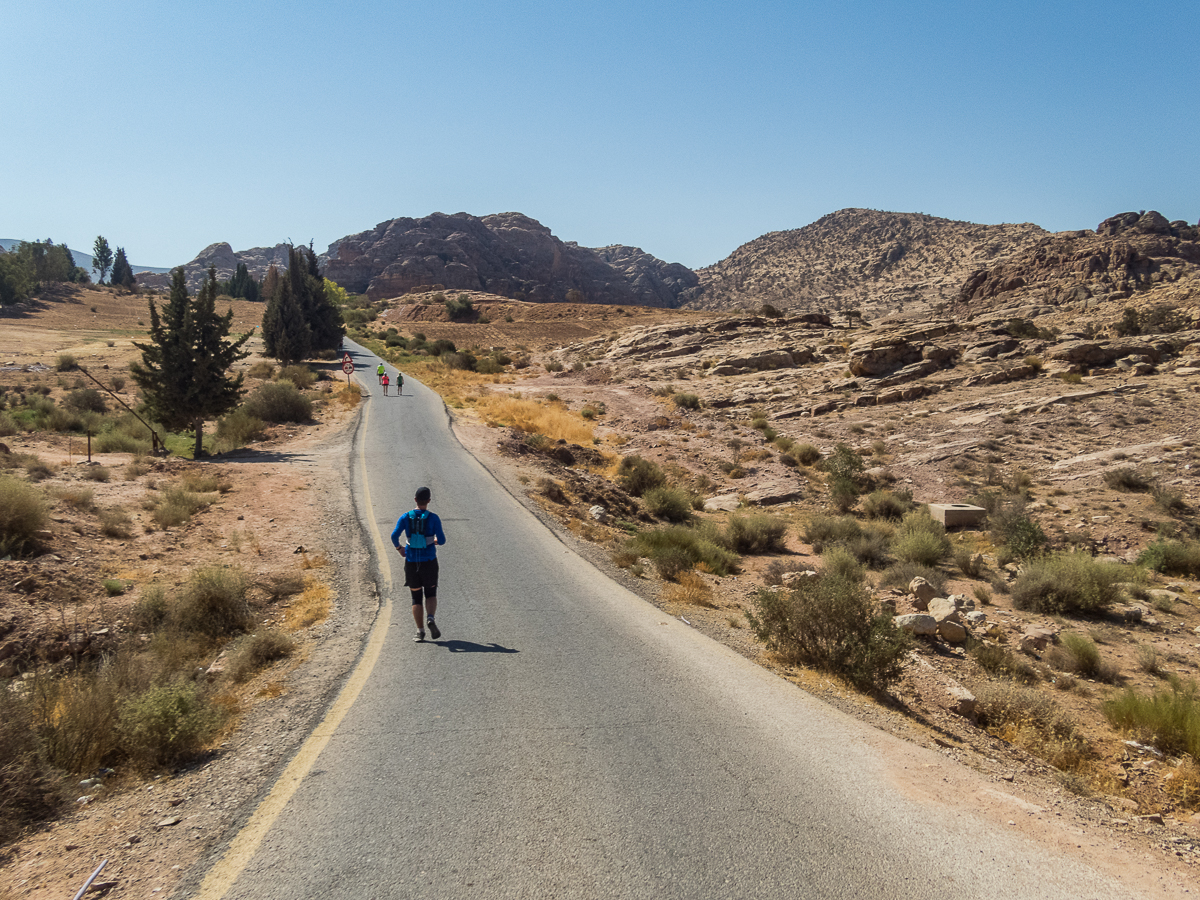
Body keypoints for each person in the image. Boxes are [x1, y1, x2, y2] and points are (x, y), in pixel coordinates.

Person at [391, 486, 447, 642]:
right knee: (430, 593)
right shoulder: (434, 518)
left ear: (415, 499)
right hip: (429, 562)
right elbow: (442, 540)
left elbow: (394, 535)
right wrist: (433, 541)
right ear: (429, 501)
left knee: (416, 597)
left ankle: (420, 631)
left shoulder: (405, 517)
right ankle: (430, 618)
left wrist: (400, 548)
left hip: (411, 562)